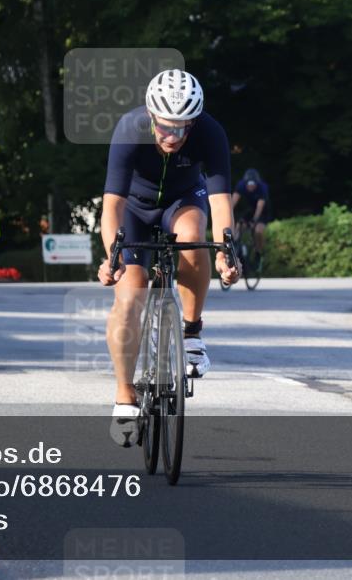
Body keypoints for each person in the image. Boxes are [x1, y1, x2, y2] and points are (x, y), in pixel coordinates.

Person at [97, 69, 239, 446]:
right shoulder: (130, 129)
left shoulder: (211, 133)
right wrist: (113, 256)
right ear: (151, 116)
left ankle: (191, 332)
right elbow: (111, 206)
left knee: (193, 236)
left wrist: (226, 253)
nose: (173, 136)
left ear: (195, 121)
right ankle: (124, 395)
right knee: (129, 297)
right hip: (134, 209)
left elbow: (220, 203)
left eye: (182, 128)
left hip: (182, 202)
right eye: (165, 127)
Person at [231, 168, 270, 257]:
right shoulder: (241, 185)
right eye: (249, 184)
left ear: (257, 183)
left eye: (253, 184)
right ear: (245, 183)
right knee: (238, 226)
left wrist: (254, 220)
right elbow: (233, 202)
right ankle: (235, 248)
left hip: (264, 212)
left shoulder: (262, 187)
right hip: (251, 210)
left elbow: (260, 206)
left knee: (258, 231)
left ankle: (258, 254)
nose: (251, 186)